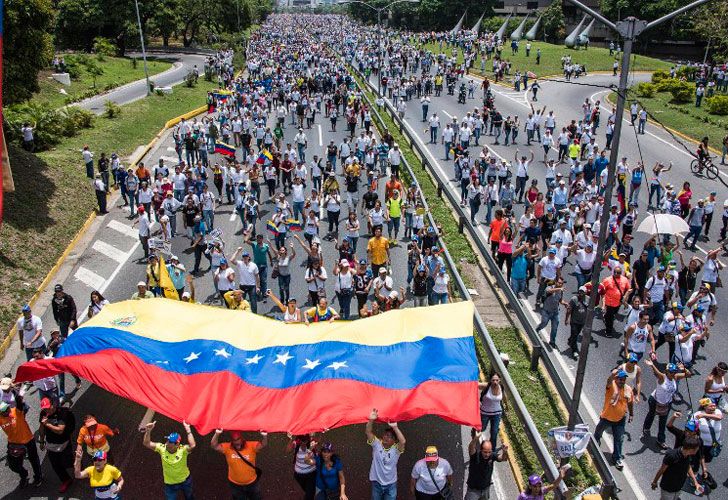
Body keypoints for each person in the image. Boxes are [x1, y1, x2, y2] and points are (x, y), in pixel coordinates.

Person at [143, 420, 196, 500]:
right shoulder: (162, 448)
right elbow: (147, 443)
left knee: (189, 497)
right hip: (170, 484)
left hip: (185, 481)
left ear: (177, 444)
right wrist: (148, 431)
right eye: (167, 440)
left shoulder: (183, 450)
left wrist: (188, 431)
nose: (167, 443)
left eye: (170, 442)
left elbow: (193, 445)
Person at [0, 391, 43, 488]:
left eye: (7, 408)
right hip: (13, 443)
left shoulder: (17, 411)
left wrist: (14, 390)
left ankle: (38, 477)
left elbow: (18, 402)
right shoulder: (1, 418)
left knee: (34, 460)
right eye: (4, 411)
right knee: (13, 465)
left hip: (28, 440)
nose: (8, 411)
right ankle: (24, 474)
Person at [643, 360, 689, 449]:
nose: (673, 374)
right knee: (651, 415)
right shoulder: (663, 377)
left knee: (662, 422)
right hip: (655, 401)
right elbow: (657, 373)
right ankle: (646, 427)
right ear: (667, 372)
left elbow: (688, 375)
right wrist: (652, 365)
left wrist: (684, 369)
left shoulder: (675, 377)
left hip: (667, 403)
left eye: (674, 372)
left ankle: (661, 440)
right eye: (671, 372)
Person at [211, 429, 268, 500]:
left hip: (252, 483)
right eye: (234, 440)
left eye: (238, 439)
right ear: (231, 441)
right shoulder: (227, 447)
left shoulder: (251, 445)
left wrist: (264, 436)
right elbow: (214, 445)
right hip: (235, 484)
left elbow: (263, 445)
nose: (236, 442)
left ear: (242, 439)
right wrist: (217, 433)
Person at [594, 369, 633, 469]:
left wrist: (631, 414)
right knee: (598, 432)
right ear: (616, 379)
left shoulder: (628, 389)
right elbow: (608, 380)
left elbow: (630, 402)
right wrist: (612, 374)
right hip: (607, 417)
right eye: (620, 379)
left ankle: (616, 458)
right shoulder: (611, 386)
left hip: (620, 419)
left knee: (619, 439)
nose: (622, 381)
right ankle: (595, 444)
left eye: (624, 379)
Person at [365, 408, 406, 500]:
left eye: (390, 437)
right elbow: (368, 431)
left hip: (391, 485)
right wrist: (371, 419)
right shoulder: (377, 444)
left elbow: (402, 441)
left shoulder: (396, 449)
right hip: (376, 483)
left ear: (394, 441)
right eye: (386, 435)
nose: (387, 437)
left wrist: (395, 427)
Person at [38, 397, 76, 493]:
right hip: (51, 444)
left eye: (48, 408)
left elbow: (60, 430)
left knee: (69, 461)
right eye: (44, 409)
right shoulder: (43, 414)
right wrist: (42, 441)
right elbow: (41, 429)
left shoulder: (61, 413)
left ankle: (78, 468)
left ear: (53, 405)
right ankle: (66, 480)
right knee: (56, 465)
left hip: (64, 442)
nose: (46, 410)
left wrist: (47, 424)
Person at [465, 431, 508, 500]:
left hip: (485, 489)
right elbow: (471, 448)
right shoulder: (475, 456)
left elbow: (503, 459)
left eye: (489, 452)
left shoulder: (492, 455)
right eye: (485, 452)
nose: (487, 454)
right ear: (481, 450)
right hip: (473, 491)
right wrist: (476, 438)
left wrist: (505, 451)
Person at [478, 373, 505, 448]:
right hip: (484, 413)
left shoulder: (501, 387)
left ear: (499, 380)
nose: (495, 382)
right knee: (481, 428)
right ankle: (474, 435)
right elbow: (475, 385)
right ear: (490, 380)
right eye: (493, 380)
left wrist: (507, 406)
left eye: (497, 380)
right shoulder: (486, 386)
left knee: (494, 432)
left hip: (497, 413)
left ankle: (492, 451)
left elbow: (503, 396)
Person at [286, 433, 316, 500]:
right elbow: (287, 450)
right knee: (309, 491)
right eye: (302, 440)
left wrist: (321, 431)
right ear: (299, 439)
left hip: (311, 474)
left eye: (305, 440)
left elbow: (319, 441)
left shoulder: (312, 444)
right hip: (299, 476)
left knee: (309, 495)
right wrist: (291, 439)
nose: (304, 442)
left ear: (308, 439)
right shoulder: (296, 444)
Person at [564, 286, 588, 359]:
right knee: (575, 335)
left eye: (582, 292)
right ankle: (574, 350)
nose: (581, 293)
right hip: (574, 321)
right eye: (580, 291)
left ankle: (570, 340)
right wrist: (566, 319)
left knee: (576, 334)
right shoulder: (574, 299)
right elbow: (569, 310)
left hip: (582, 322)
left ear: (585, 292)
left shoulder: (588, 299)